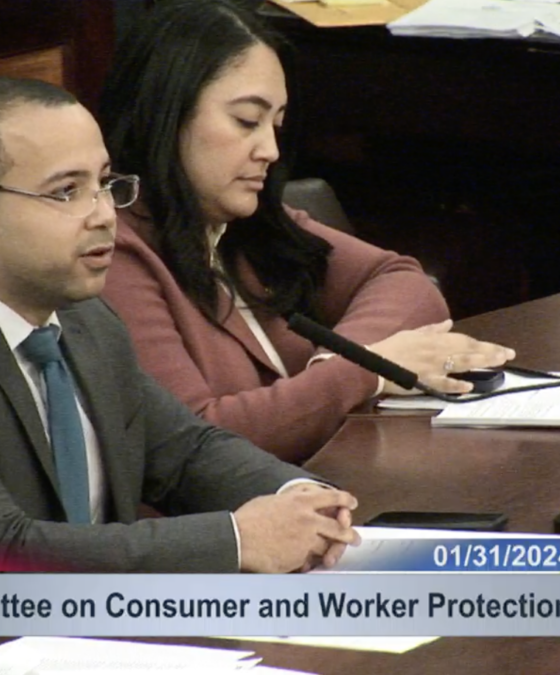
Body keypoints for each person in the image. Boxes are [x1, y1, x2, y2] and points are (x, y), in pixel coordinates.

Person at [0, 77, 358, 574]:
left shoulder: (85, 322)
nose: (103, 214)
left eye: (103, 183)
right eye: (66, 192)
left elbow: (188, 453)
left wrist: (300, 498)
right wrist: (238, 541)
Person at [98, 0, 515, 464]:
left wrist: (337, 364)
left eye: (276, 125)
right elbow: (198, 444)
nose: (271, 150)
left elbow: (402, 279)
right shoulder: (113, 249)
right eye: (246, 121)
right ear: (165, 112)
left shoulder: (247, 224)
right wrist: (362, 371)